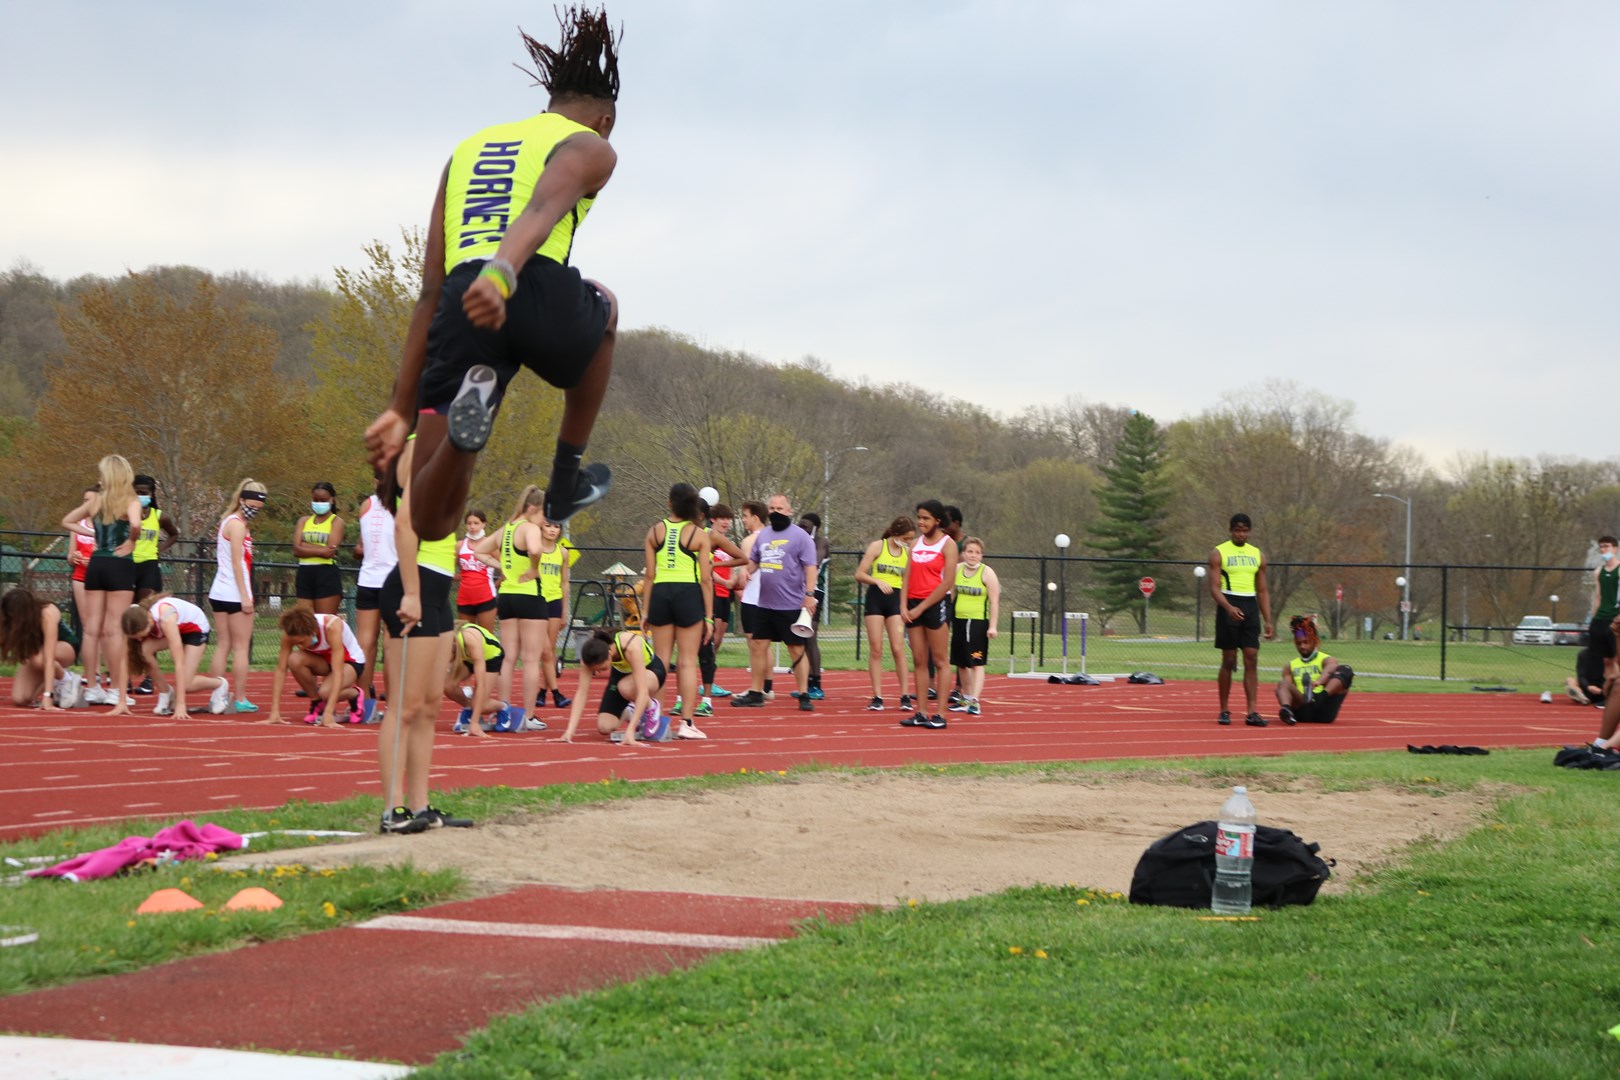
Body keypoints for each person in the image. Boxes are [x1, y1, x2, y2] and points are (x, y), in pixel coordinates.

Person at [363, 9, 623, 540]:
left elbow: (428, 291)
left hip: (461, 300)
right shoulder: (590, 144)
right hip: (530, 285)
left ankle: (464, 435)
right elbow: (543, 207)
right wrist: (503, 273)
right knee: (606, 305)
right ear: (605, 120)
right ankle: (565, 481)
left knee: (430, 522)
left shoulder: (466, 151)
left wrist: (400, 408)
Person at [375, 437, 472, 833]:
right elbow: (403, 523)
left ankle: (421, 807)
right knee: (405, 706)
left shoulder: (448, 446)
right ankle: (391, 810)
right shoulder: (419, 445)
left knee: (430, 706)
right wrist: (412, 593)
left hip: (437, 592)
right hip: (411, 589)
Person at [61, 454, 143, 709]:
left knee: (91, 629)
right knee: (115, 629)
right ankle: (116, 689)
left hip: (96, 563)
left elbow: (67, 520)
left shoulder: (95, 501)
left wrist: (91, 532)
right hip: (119, 564)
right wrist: (131, 541)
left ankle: (93, 687)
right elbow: (137, 524)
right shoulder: (130, 500)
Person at [729, 494, 819, 711]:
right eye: (772, 507)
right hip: (765, 604)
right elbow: (755, 562)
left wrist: (809, 594)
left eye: (780, 507)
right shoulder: (764, 535)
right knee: (759, 646)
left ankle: (804, 694)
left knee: (796, 649)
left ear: (789, 511)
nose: (776, 511)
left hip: (791, 604)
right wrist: (745, 573)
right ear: (767, 511)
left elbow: (810, 567)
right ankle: (755, 692)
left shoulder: (800, 537)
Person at [642, 482, 714, 738]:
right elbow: (706, 580)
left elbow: (649, 575)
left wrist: (645, 611)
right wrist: (709, 616)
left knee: (660, 661)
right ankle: (687, 723)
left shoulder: (654, 532)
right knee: (686, 662)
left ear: (669, 502)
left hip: (661, 593)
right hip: (688, 595)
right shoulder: (699, 534)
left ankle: (658, 721)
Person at [479, 485, 549, 731]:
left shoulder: (505, 529)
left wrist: (500, 567)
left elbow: (478, 550)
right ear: (532, 509)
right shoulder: (529, 528)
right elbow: (535, 549)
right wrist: (533, 568)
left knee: (507, 659)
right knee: (531, 659)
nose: (543, 523)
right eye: (542, 515)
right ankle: (528, 715)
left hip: (507, 596)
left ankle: (505, 710)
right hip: (530, 595)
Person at [207, 479, 267, 714]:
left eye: (258, 508)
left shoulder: (228, 522)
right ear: (241, 500)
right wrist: (245, 596)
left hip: (219, 591)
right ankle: (239, 697)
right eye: (252, 505)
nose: (254, 510)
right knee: (240, 648)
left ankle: (217, 695)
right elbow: (237, 563)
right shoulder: (238, 525)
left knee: (223, 644)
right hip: (233, 592)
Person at [120, 596, 231, 720]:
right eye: (136, 638)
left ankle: (220, 684)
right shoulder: (131, 621)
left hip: (195, 628)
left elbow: (179, 662)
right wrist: (121, 702)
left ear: (149, 621)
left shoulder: (166, 620)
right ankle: (165, 692)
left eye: (142, 636)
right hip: (179, 628)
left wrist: (180, 705)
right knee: (143, 650)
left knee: (187, 684)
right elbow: (124, 661)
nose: (140, 640)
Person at [1210, 512, 1274, 727]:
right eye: (1237, 530)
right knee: (1228, 660)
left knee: (1252, 657)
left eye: (1245, 530)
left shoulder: (1258, 555)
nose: (1241, 534)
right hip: (1228, 603)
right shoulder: (1219, 552)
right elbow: (1214, 588)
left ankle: (1252, 711)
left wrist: (1268, 620)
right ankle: (1224, 709)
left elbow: (1263, 591)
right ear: (1231, 531)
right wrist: (1228, 607)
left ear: (1250, 531)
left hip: (1250, 605)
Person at [900, 500, 958, 729]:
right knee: (919, 660)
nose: (920, 522)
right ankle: (921, 712)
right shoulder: (915, 544)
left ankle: (940, 714)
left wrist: (921, 608)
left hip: (934, 604)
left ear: (938, 521)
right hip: (913, 603)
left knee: (940, 660)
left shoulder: (948, 544)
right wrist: (903, 606)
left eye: (925, 518)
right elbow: (907, 577)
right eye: (919, 517)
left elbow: (948, 582)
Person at [560, 627, 664, 746]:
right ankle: (631, 711)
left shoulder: (629, 647)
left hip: (651, 671)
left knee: (626, 688)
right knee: (605, 727)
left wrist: (630, 732)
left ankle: (652, 706)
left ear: (610, 654)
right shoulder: (589, 656)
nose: (598, 673)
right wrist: (569, 731)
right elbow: (582, 692)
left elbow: (642, 691)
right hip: (621, 675)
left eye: (602, 668)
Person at [854, 515, 914, 712]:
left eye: (910, 539)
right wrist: (877, 581)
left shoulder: (909, 552)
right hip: (876, 599)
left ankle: (905, 695)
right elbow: (860, 573)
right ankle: (877, 696)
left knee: (898, 648)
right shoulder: (878, 546)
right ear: (895, 534)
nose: (908, 542)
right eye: (905, 538)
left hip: (896, 600)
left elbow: (911, 579)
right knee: (876, 648)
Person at [268, 608, 367, 728]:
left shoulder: (331, 627)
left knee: (325, 692)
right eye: (296, 643)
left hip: (350, 661)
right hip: (324, 660)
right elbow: (281, 670)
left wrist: (329, 713)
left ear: (313, 631)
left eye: (302, 642)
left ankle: (354, 694)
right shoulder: (290, 634)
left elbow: (337, 672)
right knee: (294, 660)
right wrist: (275, 711)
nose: (299, 646)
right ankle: (317, 701)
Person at [353, 485, 399, 703]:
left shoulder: (366, 504)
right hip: (393, 581)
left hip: (368, 579)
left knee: (365, 643)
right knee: (391, 646)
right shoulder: (404, 504)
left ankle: (362, 702)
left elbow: (362, 545)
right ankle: (391, 700)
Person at [0, 587, 80, 710]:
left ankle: (66, 678)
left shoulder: (47, 613)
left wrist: (48, 697)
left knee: (39, 659)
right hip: (36, 655)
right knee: (20, 699)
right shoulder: (6, 618)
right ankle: (55, 679)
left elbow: (49, 658)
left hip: (65, 648)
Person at [947, 537, 1000, 718]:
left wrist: (992, 626)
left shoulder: (987, 573)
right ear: (963, 553)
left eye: (977, 552)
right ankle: (966, 697)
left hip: (977, 623)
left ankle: (975, 701)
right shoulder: (957, 570)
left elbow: (994, 602)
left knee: (976, 662)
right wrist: (946, 618)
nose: (973, 555)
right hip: (959, 621)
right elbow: (951, 595)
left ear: (981, 555)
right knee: (961, 662)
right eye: (970, 551)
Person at [727, 501, 773, 702]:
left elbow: (743, 573)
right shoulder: (774, 537)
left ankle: (757, 689)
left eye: (745, 516)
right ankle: (766, 687)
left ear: (755, 517)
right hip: (772, 597)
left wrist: (732, 583)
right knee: (764, 645)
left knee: (755, 645)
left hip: (754, 597)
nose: (743, 520)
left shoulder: (749, 541)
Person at [696, 502, 741, 707]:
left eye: (728, 519)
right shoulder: (703, 535)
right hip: (711, 591)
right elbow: (705, 567)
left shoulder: (723, 541)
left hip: (725, 595)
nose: (726, 522)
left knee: (719, 638)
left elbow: (736, 562)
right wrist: (721, 580)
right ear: (712, 518)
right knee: (709, 638)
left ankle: (709, 674)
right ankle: (704, 681)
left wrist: (733, 581)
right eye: (722, 518)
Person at [1275, 614, 1353, 724]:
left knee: (1346, 670)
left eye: (1306, 642)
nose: (1302, 646)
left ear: (1314, 641)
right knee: (1282, 684)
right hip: (1302, 708)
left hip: (1323, 706)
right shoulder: (1290, 666)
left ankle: (1319, 696)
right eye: (1298, 643)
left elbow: (1331, 667)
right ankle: (1286, 711)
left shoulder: (1326, 659)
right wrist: (1285, 698)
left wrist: (1319, 682)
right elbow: (1284, 689)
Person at [65, 484, 101, 693]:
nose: (85, 505)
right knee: (88, 626)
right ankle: (92, 672)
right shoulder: (78, 524)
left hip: (99, 578)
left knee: (102, 627)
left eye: (90, 501)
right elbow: (70, 556)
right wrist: (75, 557)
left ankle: (107, 672)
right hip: (80, 577)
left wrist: (94, 559)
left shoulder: (104, 526)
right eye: (84, 501)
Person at [444, 620, 507, 738]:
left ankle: (503, 707)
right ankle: (470, 708)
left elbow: (480, 685)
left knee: (481, 704)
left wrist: (474, 723)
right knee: (448, 686)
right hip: (468, 658)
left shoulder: (471, 641)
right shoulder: (445, 642)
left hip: (490, 657)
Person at [536, 514, 573, 710]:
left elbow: (565, 583)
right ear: (541, 527)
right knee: (545, 651)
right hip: (536, 600)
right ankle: (556, 693)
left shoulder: (563, 552)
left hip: (554, 602)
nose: (552, 530)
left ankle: (543, 692)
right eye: (548, 525)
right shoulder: (534, 549)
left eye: (556, 526)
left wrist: (565, 610)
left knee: (548, 651)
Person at [292, 482, 346, 616]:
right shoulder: (303, 521)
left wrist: (305, 545)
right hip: (304, 573)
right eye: (315, 500)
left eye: (323, 500)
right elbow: (296, 550)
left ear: (332, 500)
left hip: (326, 573)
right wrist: (321, 550)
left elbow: (330, 552)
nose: (319, 503)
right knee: (306, 624)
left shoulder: (336, 521)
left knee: (324, 623)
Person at [130, 475, 179, 604]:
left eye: (144, 493)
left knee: (146, 605)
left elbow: (174, 534)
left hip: (149, 565)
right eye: (137, 493)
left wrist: (160, 549)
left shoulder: (159, 516)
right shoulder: (126, 515)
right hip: (128, 563)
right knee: (129, 608)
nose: (140, 496)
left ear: (151, 494)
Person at [798, 512, 830, 701]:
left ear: (815, 528)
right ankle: (806, 684)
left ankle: (816, 684)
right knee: (799, 639)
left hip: (815, 592)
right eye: (800, 527)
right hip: (798, 591)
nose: (802, 530)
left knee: (810, 637)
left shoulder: (821, 542)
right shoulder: (801, 542)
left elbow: (813, 562)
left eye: (806, 527)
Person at [454, 510, 499, 630]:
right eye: (469, 523)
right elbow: (447, 568)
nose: (472, 526)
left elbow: (506, 570)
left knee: (486, 637)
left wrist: (495, 585)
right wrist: (455, 576)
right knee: (465, 638)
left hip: (486, 597)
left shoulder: (491, 544)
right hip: (464, 598)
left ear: (483, 524)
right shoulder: (460, 545)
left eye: (476, 523)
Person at [1588, 536, 1619, 684]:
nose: (1603, 549)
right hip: (1601, 619)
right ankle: (1606, 695)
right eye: (1601, 547)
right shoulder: (1598, 572)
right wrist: (1594, 618)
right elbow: (1598, 596)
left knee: (1617, 659)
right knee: (1606, 660)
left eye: (1606, 546)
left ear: (1615, 549)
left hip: (1615, 619)